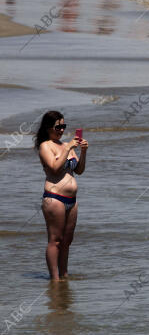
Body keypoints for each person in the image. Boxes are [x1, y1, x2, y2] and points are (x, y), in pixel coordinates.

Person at [35, 111, 88, 281]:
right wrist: (67, 148)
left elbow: (78, 170)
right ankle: (55, 280)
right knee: (55, 240)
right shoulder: (46, 146)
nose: (61, 130)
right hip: (54, 197)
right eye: (58, 126)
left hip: (71, 201)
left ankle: (64, 276)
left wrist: (83, 152)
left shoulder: (67, 145)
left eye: (63, 126)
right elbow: (55, 168)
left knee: (67, 241)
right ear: (48, 127)